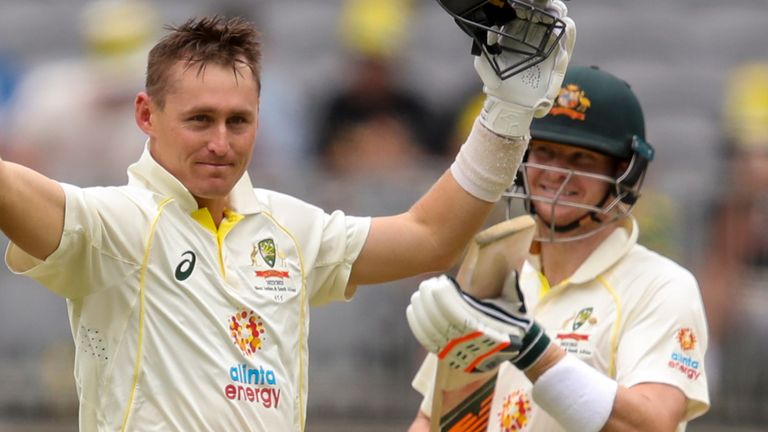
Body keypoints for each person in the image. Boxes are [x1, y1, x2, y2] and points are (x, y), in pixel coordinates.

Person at [0, 7, 575, 432]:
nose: (221, 143)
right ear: (147, 115)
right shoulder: (114, 223)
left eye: (238, 121)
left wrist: (508, 113)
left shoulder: (290, 230)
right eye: (200, 120)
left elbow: (430, 236)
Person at [407, 66, 710, 431]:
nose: (556, 173)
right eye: (546, 151)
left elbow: (652, 425)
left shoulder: (661, 286)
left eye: (581, 158)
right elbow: (434, 418)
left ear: (624, 172)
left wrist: (533, 348)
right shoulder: (494, 273)